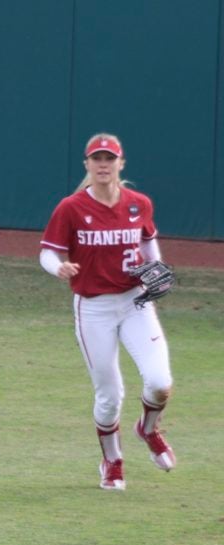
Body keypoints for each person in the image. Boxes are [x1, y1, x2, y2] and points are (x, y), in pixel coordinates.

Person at [39, 133, 175, 491]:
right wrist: (58, 268)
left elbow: (149, 248)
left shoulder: (139, 203)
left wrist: (156, 270)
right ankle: (112, 460)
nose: (103, 164)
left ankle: (147, 429)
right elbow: (47, 252)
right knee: (110, 394)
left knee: (160, 381)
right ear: (87, 164)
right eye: (96, 158)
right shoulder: (71, 207)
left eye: (109, 158)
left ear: (121, 163)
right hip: (93, 308)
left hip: (135, 302)